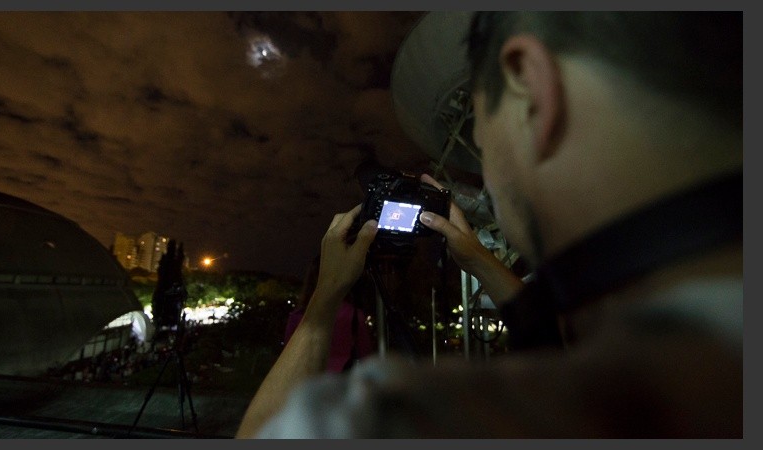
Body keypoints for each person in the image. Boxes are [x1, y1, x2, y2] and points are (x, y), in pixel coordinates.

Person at [236, 11, 742, 438]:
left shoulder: (414, 419)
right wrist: (477, 259)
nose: (484, 170)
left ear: (531, 85)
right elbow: (554, 337)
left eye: (478, 127)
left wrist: (324, 305)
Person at [284, 254, 375, 373]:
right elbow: (366, 355)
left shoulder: (299, 317)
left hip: (309, 382)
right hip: (343, 382)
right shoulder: (353, 315)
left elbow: (288, 360)